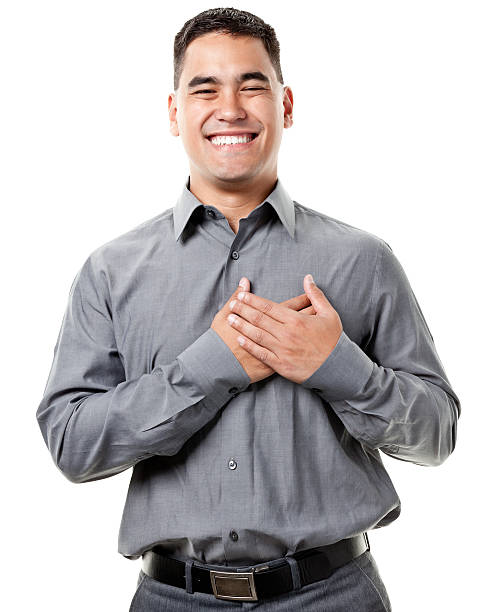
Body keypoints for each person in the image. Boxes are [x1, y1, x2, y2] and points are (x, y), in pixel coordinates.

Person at [36, 7, 461, 611]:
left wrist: (337, 367)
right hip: (171, 601)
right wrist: (208, 370)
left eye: (252, 85)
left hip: (334, 597)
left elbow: (438, 433)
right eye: (204, 89)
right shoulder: (110, 272)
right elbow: (72, 445)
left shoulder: (363, 259)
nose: (230, 108)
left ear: (285, 106)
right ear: (174, 111)